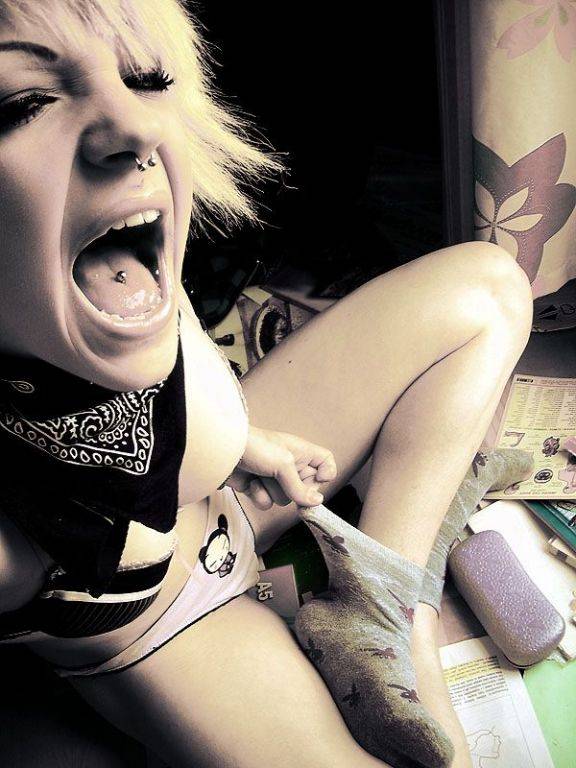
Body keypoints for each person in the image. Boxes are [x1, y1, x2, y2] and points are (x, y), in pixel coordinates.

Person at [0, 2, 534, 767]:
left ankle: (386, 607)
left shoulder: (111, 260)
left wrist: (247, 443)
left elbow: (157, 407)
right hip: (174, 629)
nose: (140, 128)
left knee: (492, 289)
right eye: (24, 103)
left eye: (146, 77)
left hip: (239, 489)